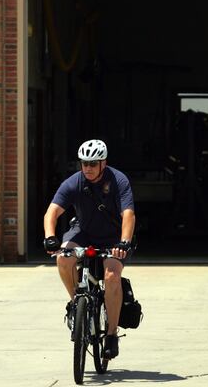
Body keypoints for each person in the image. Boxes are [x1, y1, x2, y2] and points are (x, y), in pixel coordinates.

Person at [43, 139, 136, 360]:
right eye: (84, 163)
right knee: (63, 258)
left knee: (112, 275)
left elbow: (129, 215)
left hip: (113, 236)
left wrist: (124, 243)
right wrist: (50, 238)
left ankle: (112, 334)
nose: (88, 168)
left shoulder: (118, 181)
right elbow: (51, 213)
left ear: (103, 163)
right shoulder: (74, 182)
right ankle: (76, 303)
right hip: (83, 232)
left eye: (93, 163)